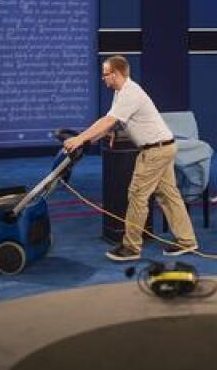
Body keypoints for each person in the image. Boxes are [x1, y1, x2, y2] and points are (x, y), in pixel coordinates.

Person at [63, 55, 199, 262]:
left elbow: (108, 120)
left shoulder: (130, 93)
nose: (103, 78)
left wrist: (80, 138)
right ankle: (188, 241)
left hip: (155, 151)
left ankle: (131, 247)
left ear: (116, 74)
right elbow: (113, 123)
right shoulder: (121, 92)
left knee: (137, 195)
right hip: (164, 147)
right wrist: (94, 137)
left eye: (105, 74)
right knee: (167, 196)